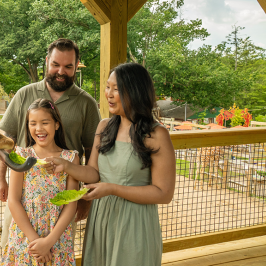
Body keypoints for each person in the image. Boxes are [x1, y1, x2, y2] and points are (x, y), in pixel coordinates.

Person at [45, 62, 176, 265]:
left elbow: (164, 193)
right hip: (102, 218)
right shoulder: (104, 127)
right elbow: (94, 173)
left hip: (135, 222)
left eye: (117, 89)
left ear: (136, 92)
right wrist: (67, 166)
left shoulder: (157, 134)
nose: (109, 94)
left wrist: (112, 189)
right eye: (108, 87)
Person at [0, 38, 101, 250]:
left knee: (54, 251)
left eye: (68, 66)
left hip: (63, 197)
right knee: (15, 247)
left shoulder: (86, 102)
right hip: (23, 193)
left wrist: (86, 198)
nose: (61, 71)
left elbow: (92, 152)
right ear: (46, 61)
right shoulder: (25, 93)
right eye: (55, 65)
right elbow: (6, 141)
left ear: (76, 66)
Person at [2, 99, 79, 265]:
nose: (39, 129)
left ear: (57, 125)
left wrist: (49, 242)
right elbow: (14, 201)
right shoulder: (21, 155)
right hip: (26, 238)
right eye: (33, 123)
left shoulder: (70, 158)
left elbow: (71, 205)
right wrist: (36, 242)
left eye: (45, 123)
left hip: (57, 238)